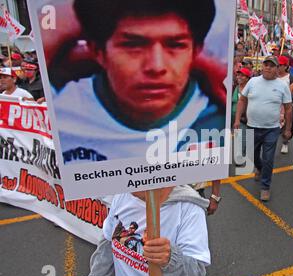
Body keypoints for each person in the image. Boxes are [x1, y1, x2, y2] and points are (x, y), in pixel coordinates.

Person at [44, 0, 227, 164]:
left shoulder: (217, 116)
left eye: (175, 45)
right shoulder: (59, 113)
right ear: (97, 51)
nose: (156, 66)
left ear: (196, 50)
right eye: (133, 45)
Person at [80, 185, 211, 276]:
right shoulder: (123, 195)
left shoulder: (188, 208)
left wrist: (170, 259)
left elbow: (195, 272)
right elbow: (107, 243)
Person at [234, 56, 293, 201]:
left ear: (277, 68)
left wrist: (287, 128)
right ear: (262, 67)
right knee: (250, 155)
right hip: (252, 126)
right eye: (266, 65)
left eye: (272, 66)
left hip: (271, 129)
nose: (268, 68)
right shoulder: (253, 82)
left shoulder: (282, 85)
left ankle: (265, 187)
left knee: (268, 159)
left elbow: (288, 108)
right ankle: (259, 168)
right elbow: (242, 100)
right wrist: (237, 120)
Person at [232, 67, 251, 165]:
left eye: (242, 75)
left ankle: (241, 156)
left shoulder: (249, 90)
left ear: (247, 78)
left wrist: (242, 117)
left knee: (242, 137)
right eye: (238, 74)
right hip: (234, 117)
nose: (239, 77)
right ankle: (240, 154)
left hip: (244, 118)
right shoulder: (236, 87)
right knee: (238, 137)